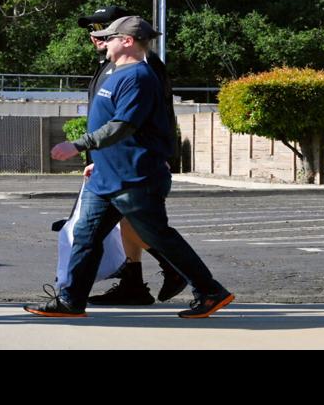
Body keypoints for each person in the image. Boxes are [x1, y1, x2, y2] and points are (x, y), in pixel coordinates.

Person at [25, 16, 235, 320]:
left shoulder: (139, 77)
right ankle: (71, 300)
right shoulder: (118, 75)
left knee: (160, 237)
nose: (102, 42)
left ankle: (210, 290)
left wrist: (80, 145)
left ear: (127, 41)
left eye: (109, 37)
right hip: (107, 177)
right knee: (86, 235)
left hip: (135, 177)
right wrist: (96, 162)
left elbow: (123, 125)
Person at [72, 6, 185, 306]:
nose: (95, 34)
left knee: (137, 221)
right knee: (125, 221)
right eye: (92, 28)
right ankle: (133, 281)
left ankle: (178, 269)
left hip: (134, 162)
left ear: (124, 34)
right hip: (110, 160)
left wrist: (162, 153)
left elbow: (154, 116)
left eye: (103, 27)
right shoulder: (107, 65)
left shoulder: (142, 66)